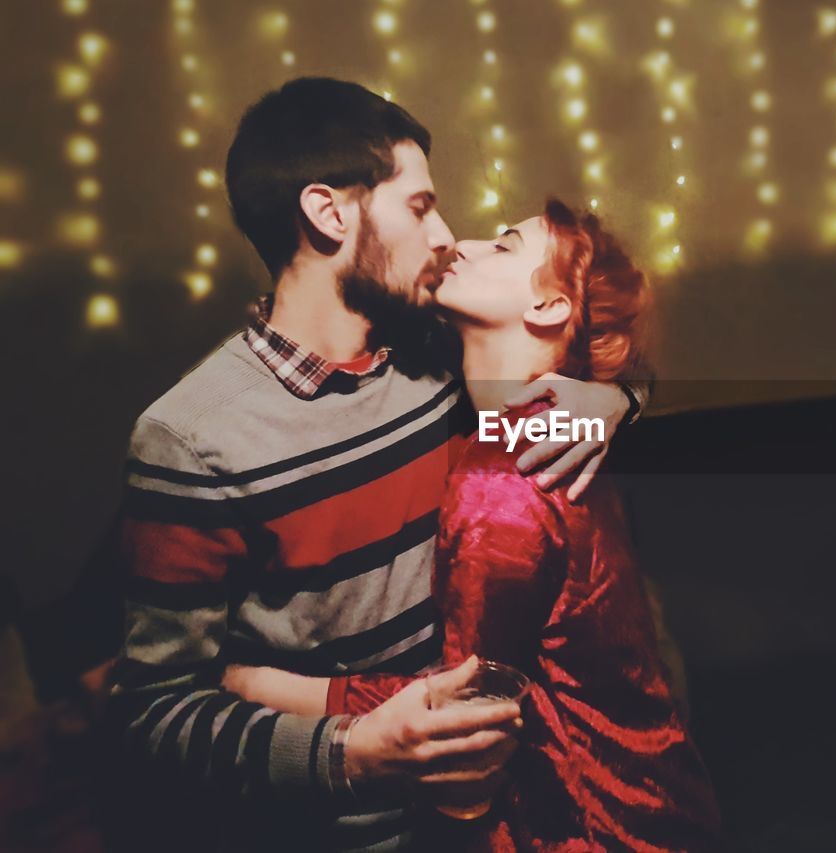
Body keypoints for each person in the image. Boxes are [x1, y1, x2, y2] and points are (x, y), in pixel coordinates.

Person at [109, 78, 645, 851]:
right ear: (329, 213)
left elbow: (568, 349)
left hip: (494, 816)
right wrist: (353, 752)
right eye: (421, 206)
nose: (445, 236)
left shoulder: (435, 357)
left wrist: (614, 398)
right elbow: (155, 711)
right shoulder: (190, 439)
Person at [225, 200, 721, 852]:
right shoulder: (519, 412)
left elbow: (469, 699)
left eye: (507, 245)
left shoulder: (507, 476)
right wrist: (612, 395)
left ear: (547, 309)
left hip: (593, 824)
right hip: (659, 795)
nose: (465, 240)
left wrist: (262, 685)